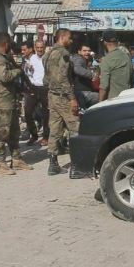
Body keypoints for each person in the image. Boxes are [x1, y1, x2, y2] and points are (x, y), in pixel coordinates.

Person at [0, 33, 33, 175]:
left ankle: (16, 159)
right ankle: (0, 162)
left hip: (9, 100)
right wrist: (19, 70)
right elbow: (5, 76)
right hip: (1, 102)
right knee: (2, 133)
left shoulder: (4, 58)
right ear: (5, 45)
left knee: (14, 131)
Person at [44, 28, 78, 176]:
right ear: (62, 37)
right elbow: (63, 78)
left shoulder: (48, 54)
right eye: (69, 38)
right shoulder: (63, 54)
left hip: (52, 95)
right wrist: (72, 98)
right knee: (75, 128)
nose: (71, 41)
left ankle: (53, 163)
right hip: (63, 96)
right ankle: (77, 165)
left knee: (55, 129)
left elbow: (46, 78)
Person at [21, 41, 49, 146]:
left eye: (41, 47)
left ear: (44, 47)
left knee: (47, 114)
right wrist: (28, 69)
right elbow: (27, 73)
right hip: (33, 87)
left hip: (45, 88)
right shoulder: (31, 59)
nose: (40, 49)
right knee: (28, 112)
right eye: (38, 47)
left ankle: (46, 136)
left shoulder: (48, 58)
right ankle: (34, 135)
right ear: (34, 48)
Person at [99, 30, 134, 101]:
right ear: (117, 42)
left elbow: (104, 86)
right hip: (127, 98)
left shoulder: (106, 59)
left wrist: (99, 102)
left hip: (113, 101)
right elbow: (132, 79)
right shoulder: (126, 57)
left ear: (105, 42)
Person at [70, 43, 99, 108]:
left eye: (89, 51)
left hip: (83, 91)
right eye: (84, 51)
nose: (87, 52)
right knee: (103, 97)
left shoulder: (87, 60)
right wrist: (93, 75)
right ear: (79, 51)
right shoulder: (79, 58)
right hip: (82, 92)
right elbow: (77, 69)